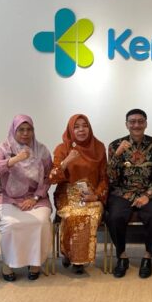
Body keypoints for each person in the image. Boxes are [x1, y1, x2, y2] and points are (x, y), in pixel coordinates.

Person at [0, 115, 53, 281]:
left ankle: (35, 263)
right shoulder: (3, 148)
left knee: (40, 222)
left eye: (29, 129)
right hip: (8, 196)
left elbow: (48, 177)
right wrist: (14, 160)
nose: (25, 133)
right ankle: (8, 264)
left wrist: (35, 198)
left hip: (36, 197)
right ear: (13, 130)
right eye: (21, 129)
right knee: (11, 224)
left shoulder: (42, 150)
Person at [106, 109, 152, 278]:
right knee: (115, 216)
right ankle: (122, 256)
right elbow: (111, 178)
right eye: (132, 121)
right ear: (126, 124)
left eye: (140, 121)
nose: (136, 125)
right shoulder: (115, 145)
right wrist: (117, 155)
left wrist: (148, 195)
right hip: (122, 192)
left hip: (149, 192)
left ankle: (148, 256)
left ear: (146, 123)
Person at [49, 114, 108, 274]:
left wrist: (96, 195)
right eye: (76, 127)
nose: (81, 130)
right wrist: (66, 161)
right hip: (67, 193)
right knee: (72, 214)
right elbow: (52, 178)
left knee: (91, 213)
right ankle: (68, 253)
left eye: (85, 125)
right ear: (70, 130)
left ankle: (78, 260)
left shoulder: (99, 148)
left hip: (90, 193)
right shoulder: (62, 149)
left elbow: (104, 177)